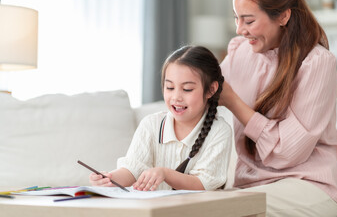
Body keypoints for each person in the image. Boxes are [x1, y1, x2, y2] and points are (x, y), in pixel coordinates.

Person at [219, 0, 337, 216]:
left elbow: (288, 152)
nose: (239, 29)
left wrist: (234, 103)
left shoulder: (316, 63)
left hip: (309, 186)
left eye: (249, 20)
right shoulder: (239, 52)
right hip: (250, 185)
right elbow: (203, 97)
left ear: (282, 16)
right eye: (237, 18)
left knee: (222, 209)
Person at [89, 45, 232, 191]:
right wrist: (110, 179)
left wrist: (166, 174)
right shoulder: (151, 125)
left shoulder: (219, 131)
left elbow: (204, 183)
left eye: (187, 89)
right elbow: (132, 168)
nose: (176, 97)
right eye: (170, 88)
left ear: (211, 89)